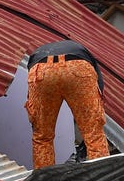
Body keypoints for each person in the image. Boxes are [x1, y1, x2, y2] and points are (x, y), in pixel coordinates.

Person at [24, 39, 109, 168]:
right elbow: (99, 86)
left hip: (40, 70)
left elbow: (31, 88)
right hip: (77, 67)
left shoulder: (38, 53)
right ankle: (102, 176)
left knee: (42, 137)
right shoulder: (84, 52)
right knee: (94, 135)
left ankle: (45, 179)